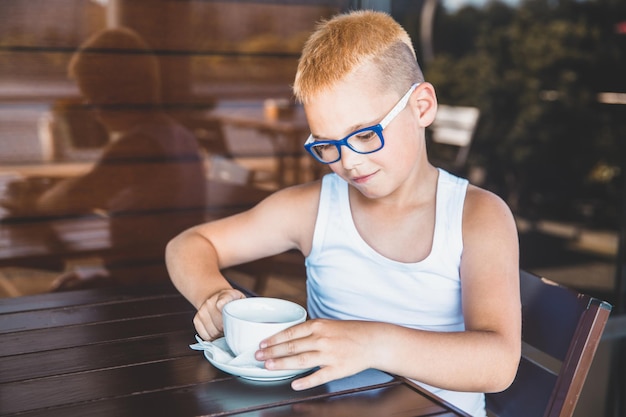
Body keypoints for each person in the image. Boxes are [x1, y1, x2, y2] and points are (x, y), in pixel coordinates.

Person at [165, 10, 520, 417]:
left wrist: (372, 343)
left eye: (366, 134)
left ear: (421, 107)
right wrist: (213, 294)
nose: (348, 163)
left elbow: (498, 363)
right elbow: (188, 245)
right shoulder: (313, 208)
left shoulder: (477, 216)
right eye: (327, 145)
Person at [36, 27, 206, 289]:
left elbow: (76, 196)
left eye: (90, 99)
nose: (92, 110)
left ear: (112, 96)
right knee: (67, 282)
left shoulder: (139, 145)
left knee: (56, 291)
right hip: (169, 276)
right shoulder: (175, 134)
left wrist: (34, 202)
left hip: (148, 286)